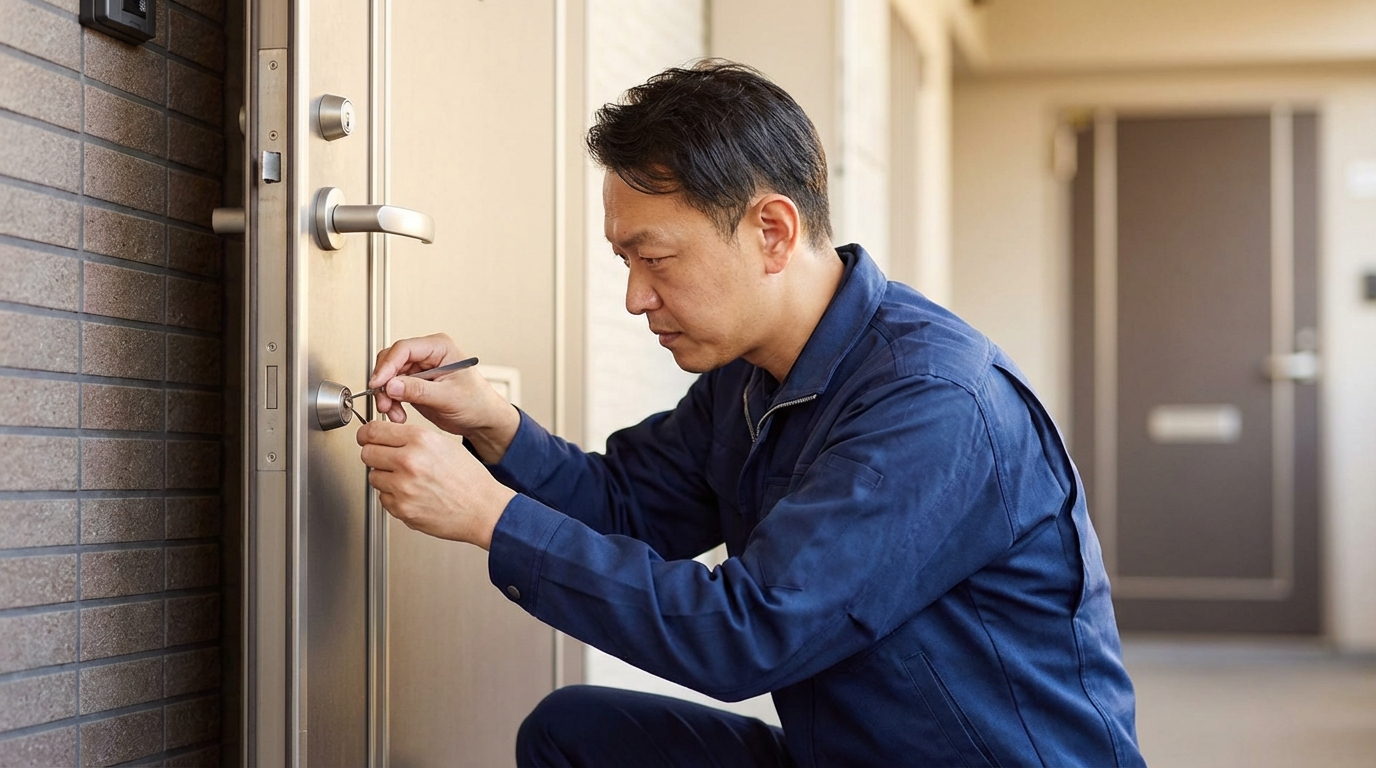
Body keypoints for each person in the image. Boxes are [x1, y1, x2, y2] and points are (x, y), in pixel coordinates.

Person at [356, 60, 1144, 768]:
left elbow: (749, 632)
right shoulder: (751, 376)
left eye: (655, 259)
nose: (635, 298)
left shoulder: (933, 400)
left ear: (772, 231)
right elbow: (625, 508)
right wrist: (493, 422)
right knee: (575, 734)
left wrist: (489, 516)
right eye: (625, 262)